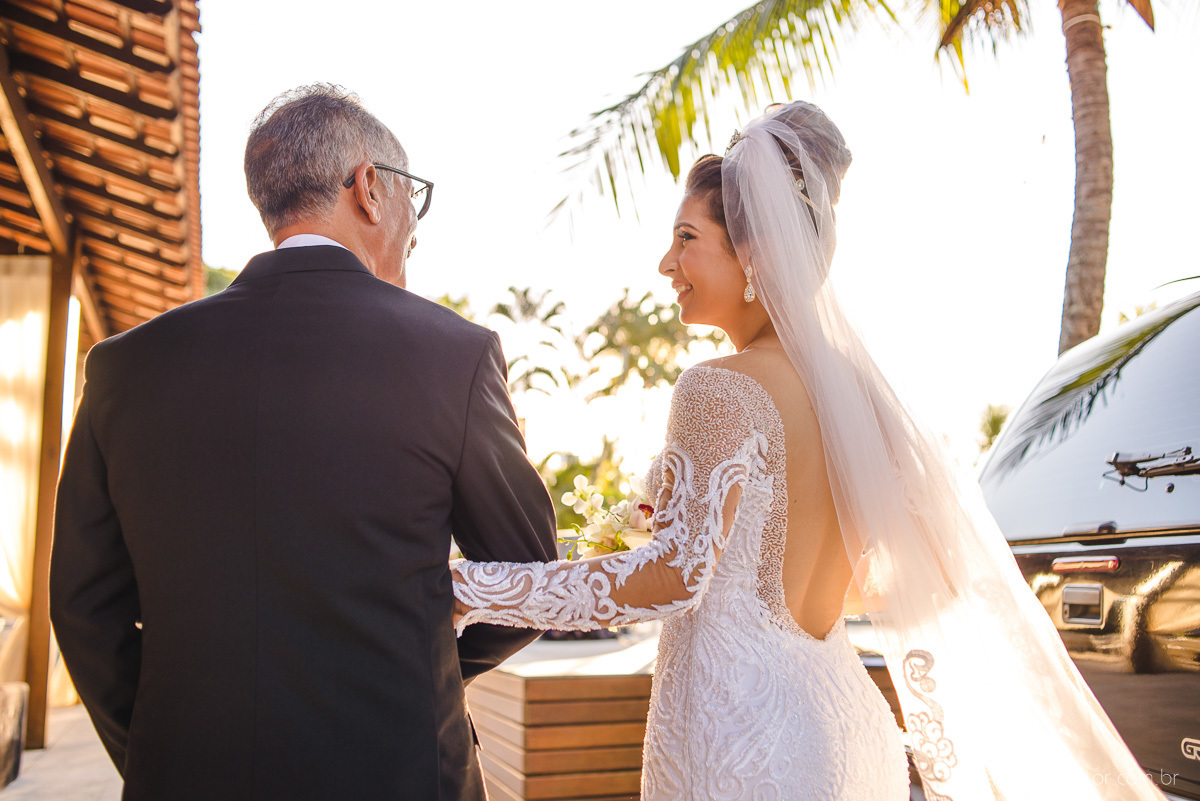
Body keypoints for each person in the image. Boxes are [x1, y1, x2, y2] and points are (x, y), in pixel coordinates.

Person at [452, 102, 1162, 800]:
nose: (667, 261)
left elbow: (675, 576)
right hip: (843, 720)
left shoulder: (716, 388)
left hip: (742, 742)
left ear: (754, 254)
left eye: (687, 238)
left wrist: (473, 586)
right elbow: (908, 580)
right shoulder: (857, 395)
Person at [49, 84, 557, 801]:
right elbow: (531, 575)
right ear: (370, 188)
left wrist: (164, 753)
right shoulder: (455, 355)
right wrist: (418, 673)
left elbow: (82, 605)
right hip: (399, 771)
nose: (415, 223)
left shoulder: (123, 366)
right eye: (414, 194)